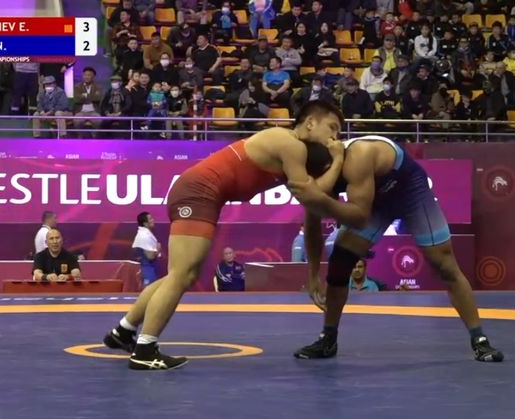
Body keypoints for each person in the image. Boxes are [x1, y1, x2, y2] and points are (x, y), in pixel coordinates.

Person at [103, 101, 347, 370]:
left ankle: (124, 330)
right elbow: (312, 195)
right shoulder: (290, 144)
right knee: (181, 275)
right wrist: (337, 159)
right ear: (310, 123)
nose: (335, 137)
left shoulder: (292, 152)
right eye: (332, 128)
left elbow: (312, 202)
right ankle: (145, 350)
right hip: (199, 192)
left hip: (200, 193)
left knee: (181, 275)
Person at [287, 134, 504, 363]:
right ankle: (328, 339)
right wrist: (313, 275)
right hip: (373, 199)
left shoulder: (359, 155)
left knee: (445, 266)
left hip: (410, 192)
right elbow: (312, 226)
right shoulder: (311, 176)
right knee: (340, 262)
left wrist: (330, 205)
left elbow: (359, 217)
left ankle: (479, 340)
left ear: (329, 165)